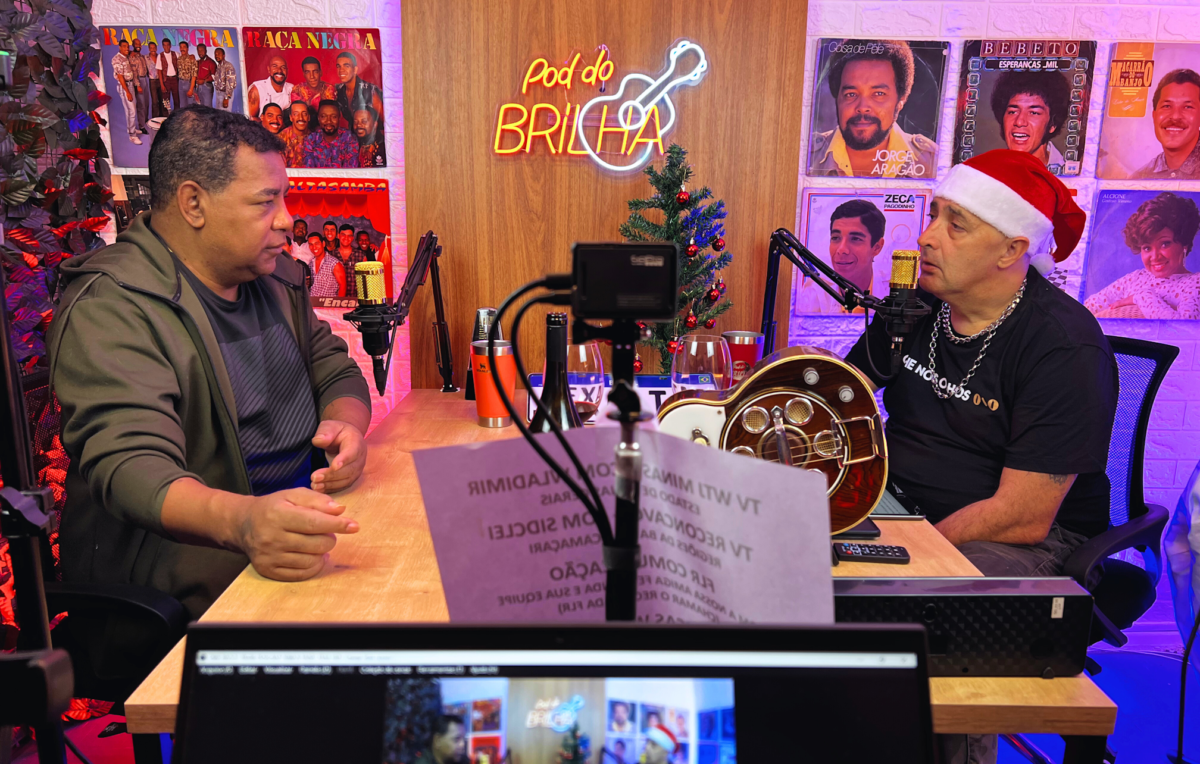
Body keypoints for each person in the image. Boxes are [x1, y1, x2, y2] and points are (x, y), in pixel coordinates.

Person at [845, 149, 1117, 764]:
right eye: (934, 215)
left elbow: (1023, 515)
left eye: (955, 224)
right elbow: (844, 399)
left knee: (936, 608)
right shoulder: (916, 309)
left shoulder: (1063, 348)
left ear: (1010, 249)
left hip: (1016, 536)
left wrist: (910, 553)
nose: (927, 237)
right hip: (903, 506)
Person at [47, 106, 371, 621]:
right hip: (189, 574)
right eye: (266, 201)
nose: (286, 220)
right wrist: (246, 523)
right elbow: (132, 469)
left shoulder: (275, 277)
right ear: (193, 203)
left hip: (297, 532)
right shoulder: (111, 307)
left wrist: (346, 426)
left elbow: (335, 369)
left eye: (283, 198)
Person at [809, 40, 936, 178]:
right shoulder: (806, 157)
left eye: (878, 94)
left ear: (901, 100)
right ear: (837, 98)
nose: (863, 107)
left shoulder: (934, 163)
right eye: (851, 94)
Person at [1085, 192, 1200, 320]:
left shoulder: (1195, 283)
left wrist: (1141, 297)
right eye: (1147, 248)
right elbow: (1087, 308)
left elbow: (1185, 326)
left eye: (1164, 244)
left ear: (1184, 243)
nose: (1155, 257)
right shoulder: (1135, 278)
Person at [794, 199, 888, 314]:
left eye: (855, 239)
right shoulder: (815, 290)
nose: (841, 250)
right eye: (835, 238)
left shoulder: (892, 291)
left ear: (877, 247)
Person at [989, 71, 1072, 175]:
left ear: (1052, 124)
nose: (1019, 122)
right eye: (1013, 112)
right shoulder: (986, 175)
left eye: (1034, 113)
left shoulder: (1070, 176)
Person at [1132, 69, 1200, 180]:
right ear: (1154, 115)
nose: (1175, 116)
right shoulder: (1141, 179)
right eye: (1167, 106)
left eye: (1188, 107)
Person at [303, 99, 359, 168]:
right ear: (318, 118)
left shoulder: (349, 139)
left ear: (339, 117)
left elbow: (351, 171)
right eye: (323, 116)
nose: (329, 121)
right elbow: (308, 171)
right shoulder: (311, 140)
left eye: (334, 117)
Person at [334, 51, 384, 124]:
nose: (341, 70)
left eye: (346, 66)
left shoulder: (370, 91)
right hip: (353, 131)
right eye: (339, 66)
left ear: (355, 70)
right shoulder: (339, 90)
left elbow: (388, 120)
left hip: (374, 131)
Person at [110, 39, 142, 145]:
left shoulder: (126, 56)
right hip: (125, 86)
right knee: (131, 110)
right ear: (119, 47)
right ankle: (132, 135)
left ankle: (130, 129)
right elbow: (120, 77)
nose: (126, 48)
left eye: (127, 46)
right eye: (124, 46)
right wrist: (127, 92)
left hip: (130, 84)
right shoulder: (117, 59)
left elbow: (133, 52)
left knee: (130, 109)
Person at [249, 55, 293, 123]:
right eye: (275, 66)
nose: (279, 70)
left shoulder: (292, 89)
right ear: (269, 69)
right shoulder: (257, 89)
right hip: (261, 128)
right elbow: (249, 118)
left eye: (283, 67)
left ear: (287, 71)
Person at [309, 227, 347, 298]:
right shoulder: (310, 264)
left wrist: (338, 304)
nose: (314, 247)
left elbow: (343, 286)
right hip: (312, 303)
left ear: (323, 244)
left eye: (316, 243)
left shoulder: (334, 263)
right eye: (311, 244)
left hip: (328, 304)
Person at [280, 101, 314, 167]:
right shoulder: (282, 138)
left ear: (309, 117)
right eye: (296, 114)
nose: (301, 118)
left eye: (304, 114)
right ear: (291, 118)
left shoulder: (315, 138)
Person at [129, 38, 151, 131]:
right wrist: (138, 85)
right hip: (139, 81)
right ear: (133, 45)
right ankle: (141, 126)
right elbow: (134, 72)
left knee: (146, 103)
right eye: (136, 44)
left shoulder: (142, 56)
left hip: (145, 79)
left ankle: (145, 121)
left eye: (139, 44)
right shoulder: (132, 57)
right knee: (141, 104)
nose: (138, 46)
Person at [213, 47, 239, 112]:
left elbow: (231, 83)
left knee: (225, 115)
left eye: (219, 54)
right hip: (219, 94)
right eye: (215, 54)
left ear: (224, 55)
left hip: (225, 94)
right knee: (219, 115)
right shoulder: (219, 66)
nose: (217, 56)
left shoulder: (228, 66)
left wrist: (227, 98)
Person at [192, 43, 217, 107]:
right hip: (198, 87)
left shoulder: (211, 62)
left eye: (202, 50)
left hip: (207, 87)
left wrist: (204, 81)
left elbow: (214, 76)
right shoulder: (198, 62)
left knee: (207, 107)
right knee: (200, 107)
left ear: (206, 51)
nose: (200, 52)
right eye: (198, 51)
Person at [158, 38, 180, 112]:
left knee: (176, 99)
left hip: (175, 79)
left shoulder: (176, 54)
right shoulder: (160, 56)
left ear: (170, 46)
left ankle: (177, 116)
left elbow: (181, 62)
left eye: (168, 45)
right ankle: (166, 116)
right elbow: (159, 71)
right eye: (164, 45)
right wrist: (162, 84)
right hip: (166, 80)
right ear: (162, 46)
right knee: (166, 100)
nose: (166, 47)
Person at [145, 41, 164, 118]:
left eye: (154, 48)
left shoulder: (160, 57)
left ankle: (162, 117)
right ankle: (155, 118)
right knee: (155, 101)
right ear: (149, 49)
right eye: (151, 48)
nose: (153, 49)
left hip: (161, 80)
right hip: (152, 81)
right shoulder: (145, 58)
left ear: (156, 48)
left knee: (162, 100)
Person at [177, 40, 197, 108]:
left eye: (184, 47)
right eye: (181, 47)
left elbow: (194, 75)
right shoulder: (179, 59)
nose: (182, 49)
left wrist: (191, 89)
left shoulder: (192, 59)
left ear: (187, 49)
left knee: (191, 106)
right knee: (182, 106)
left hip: (189, 83)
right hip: (180, 83)